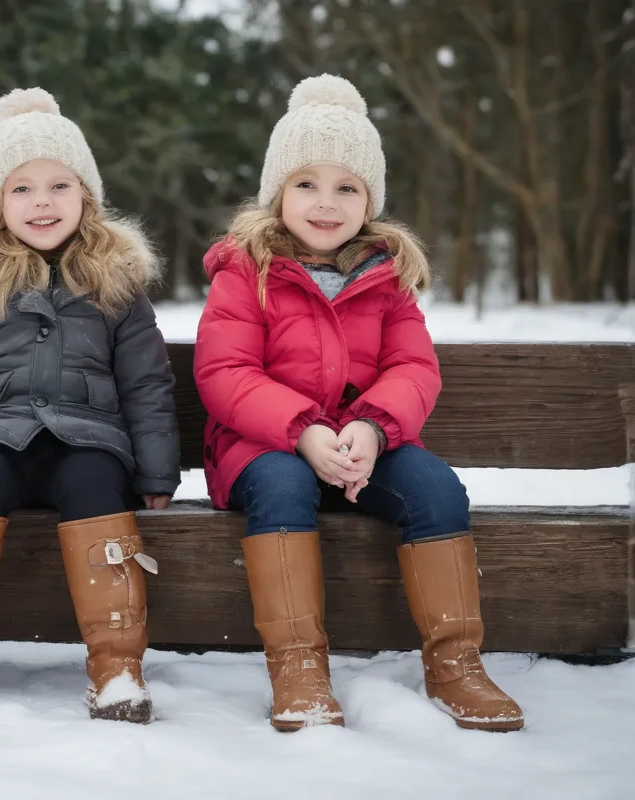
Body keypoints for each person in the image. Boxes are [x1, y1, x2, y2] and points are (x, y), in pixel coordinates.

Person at [194, 74, 523, 732]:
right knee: (285, 484)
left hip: (363, 444)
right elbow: (225, 372)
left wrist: (373, 427)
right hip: (265, 446)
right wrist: (303, 430)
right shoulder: (246, 272)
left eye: (347, 186)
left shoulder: (386, 276)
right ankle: (298, 667)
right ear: (277, 192)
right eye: (306, 184)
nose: (326, 202)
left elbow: (411, 366)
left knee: (435, 488)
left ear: (369, 199)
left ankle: (455, 663)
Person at [0, 88, 180, 724]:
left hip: (90, 440)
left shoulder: (117, 288)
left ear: (87, 196)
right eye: (21, 189)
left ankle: (115, 665)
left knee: (97, 489)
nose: (42, 202)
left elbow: (146, 384)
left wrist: (157, 472)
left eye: (59, 185)